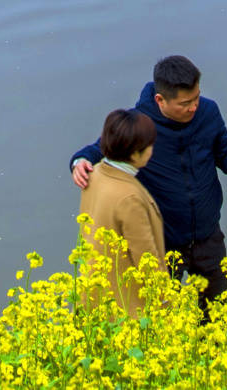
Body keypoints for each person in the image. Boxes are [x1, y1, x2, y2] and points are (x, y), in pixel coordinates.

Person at [70, 56, 227, 309]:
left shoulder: (208, 112)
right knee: (161, 312)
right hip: (163, 242)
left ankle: (215, 347)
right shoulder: (140, 125)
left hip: (207, 236)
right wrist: (79, 161)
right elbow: (101, 149)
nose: (193, 107)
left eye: (196, 97)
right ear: (160, 100)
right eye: (185, 103)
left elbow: (224, 150)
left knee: (218, 308)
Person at [77, 108, 166, 319]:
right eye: (149, 147)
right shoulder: (129, 197)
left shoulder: (95, 173)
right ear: (135, 154)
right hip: (126, 308)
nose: (152, 151)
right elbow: (146, 258)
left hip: (94, 294)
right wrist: (165, 300)